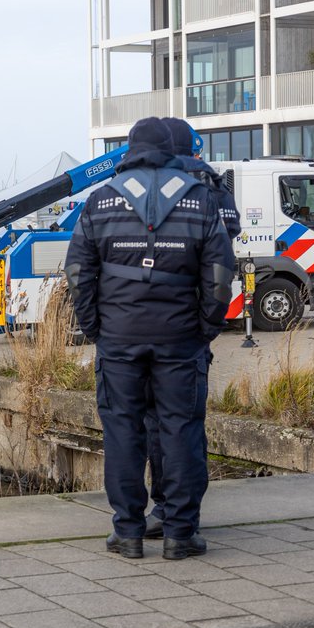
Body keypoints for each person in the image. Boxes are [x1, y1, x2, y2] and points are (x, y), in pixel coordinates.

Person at [63, 116, 235, 561]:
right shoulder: (200, 198)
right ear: (170, 150)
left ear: (130, 150)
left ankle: (128, 532)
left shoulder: (100, 201)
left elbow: (79, 272)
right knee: (180, 428)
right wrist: (205, 326)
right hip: (181, 339)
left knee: (122, 431)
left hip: (119, 338)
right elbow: (219, 275)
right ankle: (179, 533)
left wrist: (94, 327)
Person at [138, 117, 243, 540]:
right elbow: (226, 241)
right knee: (185, 422)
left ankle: (161, 505)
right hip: (190, 326)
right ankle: (183, 514)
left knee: (152, 423)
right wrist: (207, 325)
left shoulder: (152, 182)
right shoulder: (210, 182)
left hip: (145, 323)